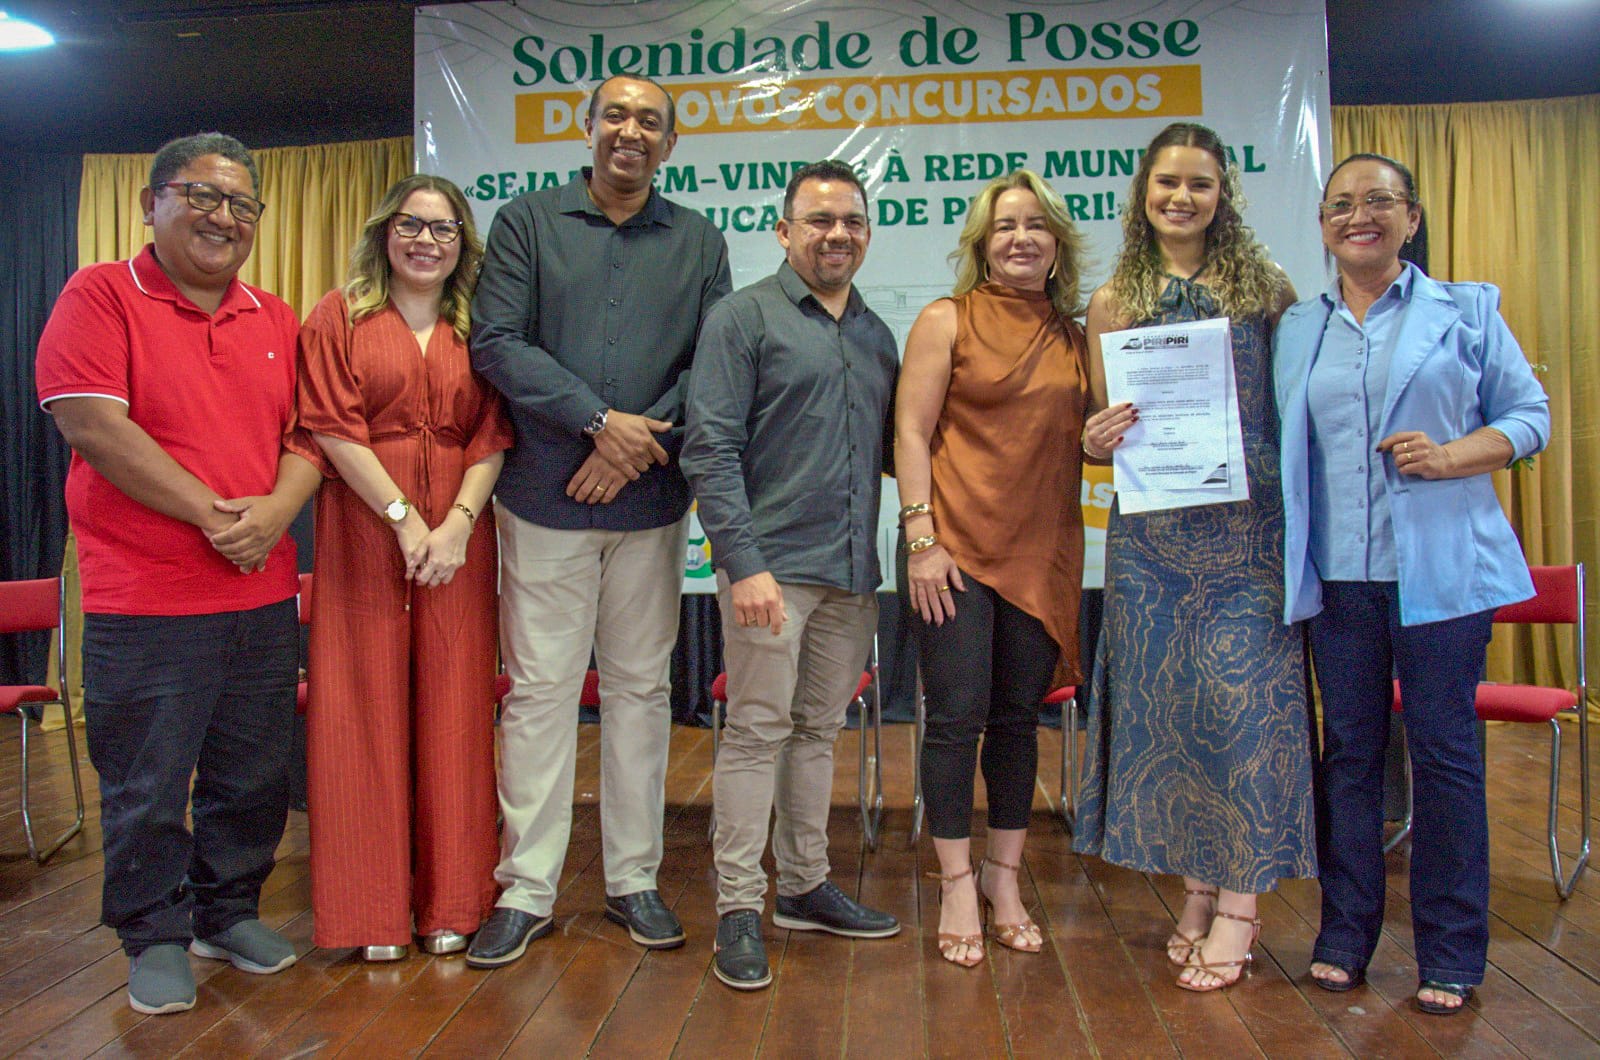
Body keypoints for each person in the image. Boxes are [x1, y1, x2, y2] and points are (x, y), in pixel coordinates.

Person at [34, 132, 318, 1014]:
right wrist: (216, 515)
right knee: (148, 781)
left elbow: (309, 435)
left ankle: (227, 913)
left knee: (254, 772)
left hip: (261, 588)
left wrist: (274, 514)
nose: (223, 218)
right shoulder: (99, 293)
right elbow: (92, 424)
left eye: (241, 205)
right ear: (150, 203)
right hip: (146, 596)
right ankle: (153, 933)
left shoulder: (275, 316)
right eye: (201, 196)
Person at [466, 73, 732, 967]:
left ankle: (633, 880)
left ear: (671, 143)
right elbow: (498, 342)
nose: (631, 131)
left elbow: (712, 365)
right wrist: (596, 422)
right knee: (541, 692)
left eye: (650, 121)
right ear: (587, 129)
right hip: (544, 496)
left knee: (640, 692)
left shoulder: (698, 240)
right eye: (615, 115)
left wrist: (629, 444)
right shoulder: (526, 223)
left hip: (650, 500)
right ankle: (527, 889)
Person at [1275, 153, 1549, 1015]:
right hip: (1338, 582)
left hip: (1442, 577)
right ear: (1323, 225)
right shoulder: (1298, 327)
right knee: (1350, 758)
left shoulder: (1467, 310)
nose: (1360, 216)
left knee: (1444, 758)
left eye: (1380, 201)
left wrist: (1454, 454)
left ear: (1411, 218)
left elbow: (1530, 416)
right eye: (1342, 205)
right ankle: (1343, 937)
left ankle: (1453, 954)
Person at [1073, 121, 1316, 991]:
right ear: (1143, 192)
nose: (1182, 197)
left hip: (1251, 533)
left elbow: (1298, 406)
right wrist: (1094, 439)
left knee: (1246, 713)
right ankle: (1199, 891)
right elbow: (1101, 426)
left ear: (1223, 195)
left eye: (1200, 184)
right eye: (1167, 183)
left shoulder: (1268, 288)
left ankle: (1243, 907)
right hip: (1154, 539)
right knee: (1173, 715)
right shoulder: (1113, 300)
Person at [683, 160, 901, 991]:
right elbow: (709, 448)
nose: (837, 234)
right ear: (784, 232)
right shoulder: (743, 318)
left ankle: (804, 886)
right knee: (756, 734)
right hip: (771, 574)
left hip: (852, 575)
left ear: (867, 234)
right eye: (819, 220)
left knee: (817, 733)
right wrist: (743, 565)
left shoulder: (876, 335)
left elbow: (896, 452)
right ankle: (739, 907)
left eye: (851, 221)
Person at [290, 175, 511, 961]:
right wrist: (404, 520)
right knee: (360, 707)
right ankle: (368, 914)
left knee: (456, 707)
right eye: (411, 225)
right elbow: (330, 426)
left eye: (444, 229)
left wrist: (454, 526)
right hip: (361, 524)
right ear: (385, 232)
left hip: (459, 532)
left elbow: (493, 434)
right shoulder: (338, 315)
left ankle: (453, 899)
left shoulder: (480, 326)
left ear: (463, 244)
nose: (426, 241)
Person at [894, 170, 1090, 968]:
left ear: (1057, 246)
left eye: (1037, 226)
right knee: (955, 718)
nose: (1021, 238)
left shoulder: (1077, 337)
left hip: (1043, 555)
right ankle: (954, 883)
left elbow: (1097, 434)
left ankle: (1004, 882)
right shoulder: (945, 319)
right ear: (983, 242)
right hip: (952, 551)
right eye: (1006, 225)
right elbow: (911, 432)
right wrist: (920, 536)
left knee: (1016, 722)